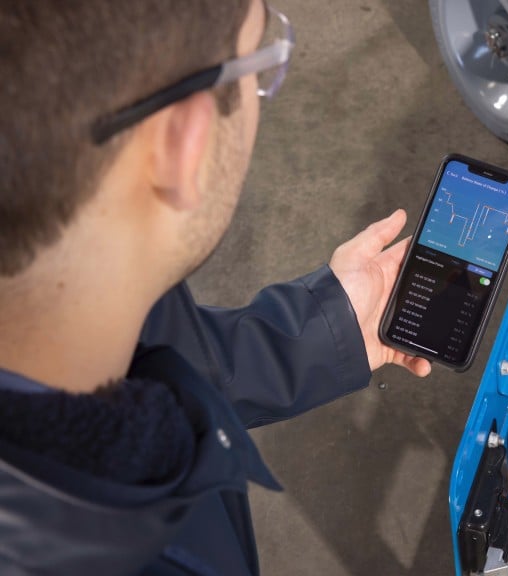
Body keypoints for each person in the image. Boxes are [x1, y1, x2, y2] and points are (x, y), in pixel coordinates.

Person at [0, 0, 431, 574]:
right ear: (185, 146)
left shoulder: (97, 285)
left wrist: (333, 325)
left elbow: (162, 357)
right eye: (259, 63)